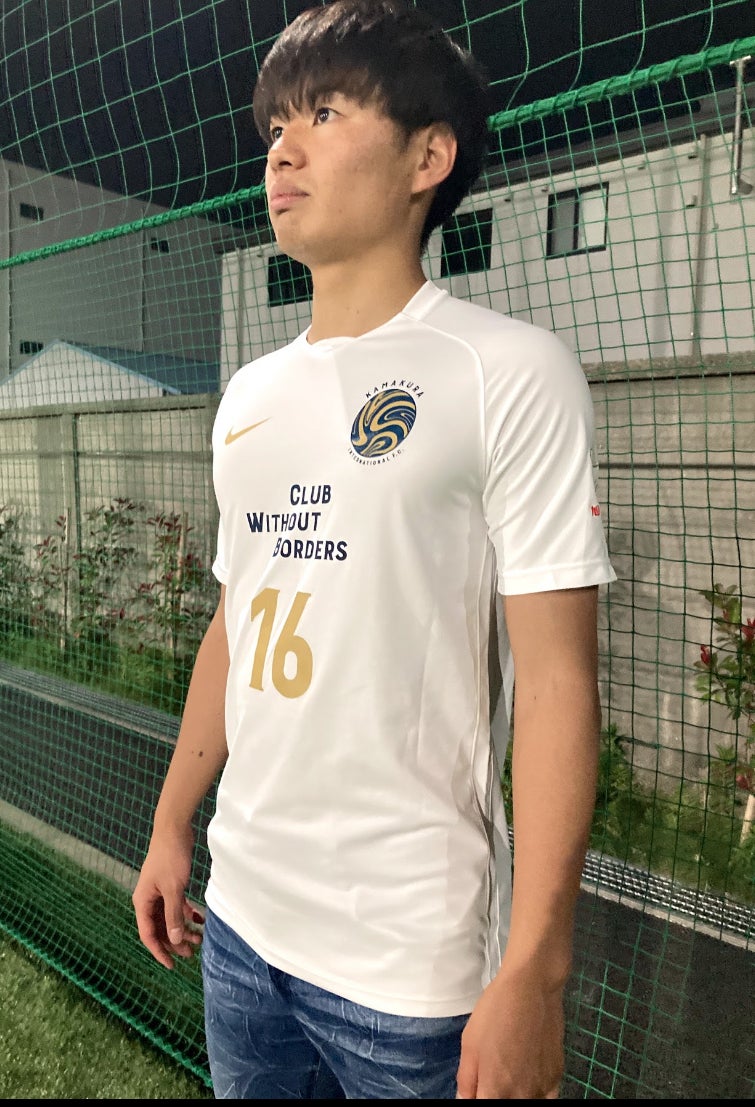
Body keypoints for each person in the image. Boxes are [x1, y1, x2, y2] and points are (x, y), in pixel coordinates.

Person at [132, 0, 617, 1098]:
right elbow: (237, 622)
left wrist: (534, 973)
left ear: (426, 159)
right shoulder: (249, 395)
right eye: (274, 128)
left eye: (324, 113)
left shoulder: (508, 371)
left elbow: (554, 682)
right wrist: (170, 826)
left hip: (408, 966)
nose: (281, 150)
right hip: (242, 926)